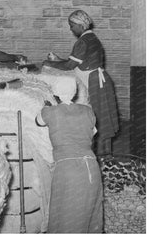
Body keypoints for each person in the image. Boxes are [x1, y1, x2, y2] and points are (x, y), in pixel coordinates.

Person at [42, 9, 119, 156]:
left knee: (97, 119)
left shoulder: (82, 41)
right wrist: (58, 60)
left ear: (80, 25)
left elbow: (69, 66)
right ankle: (103, 155)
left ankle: (101, 157)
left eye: (72, 25)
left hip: (95, 82)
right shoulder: (92, 38)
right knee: (101, 118)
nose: (71, 29)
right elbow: (75, 62)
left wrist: (49, 63)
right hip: (98, 79)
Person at [35, 79, 103, 233]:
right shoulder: (88, 111)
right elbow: (92, 133)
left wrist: (47, 105)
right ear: (75, 92)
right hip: (92, 166)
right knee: (89, 211)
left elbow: (38, 122)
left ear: (55, 93)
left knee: (66, 215)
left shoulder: (49, 112)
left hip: (67, 169)